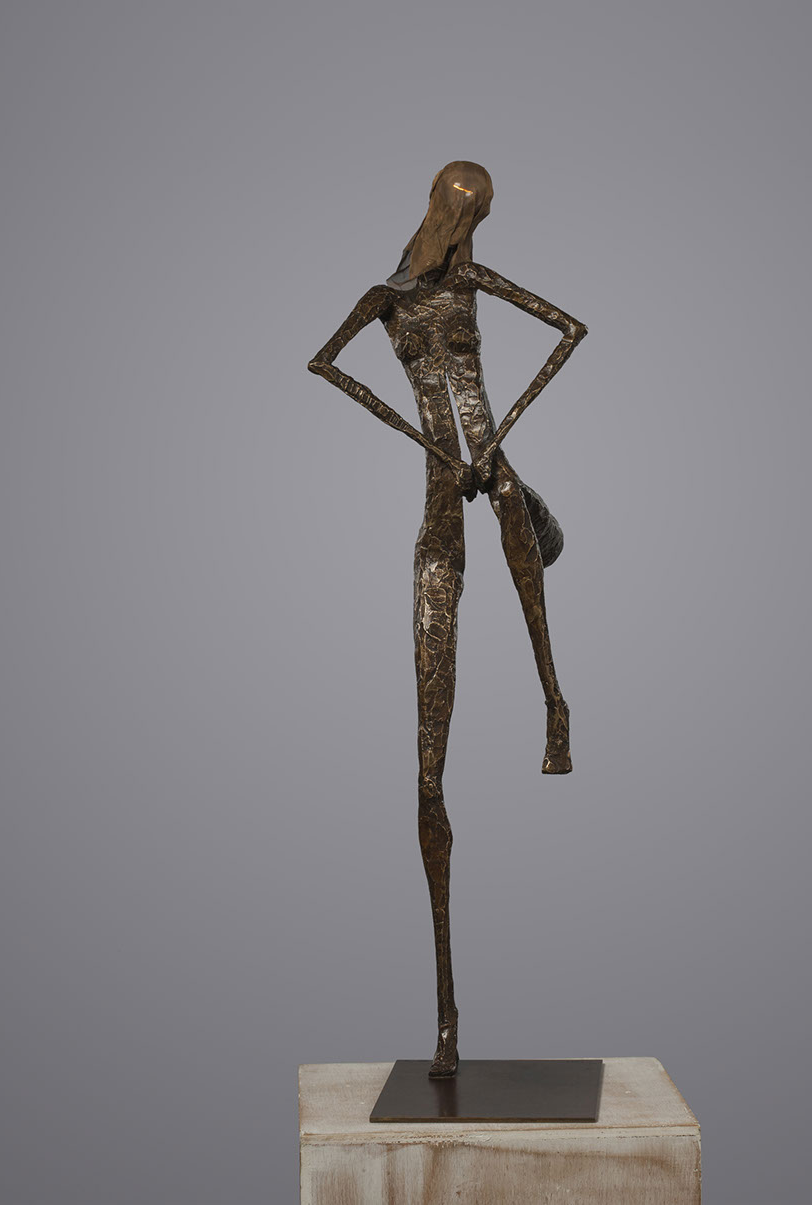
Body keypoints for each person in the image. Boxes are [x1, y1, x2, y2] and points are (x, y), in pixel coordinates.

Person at [306, 161, 588, 1078]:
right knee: (428, 761)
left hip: (489, 464)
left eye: (479, 217)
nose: (469, 230)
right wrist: (423, 435)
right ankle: (446, 1016)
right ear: (442, 208)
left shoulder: (472, 281)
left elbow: (570, 329)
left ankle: (555, 702)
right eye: (466, 212)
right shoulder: (386, 298)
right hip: (440, 484)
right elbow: (324, 362)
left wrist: (495, 438)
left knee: (509, 512)